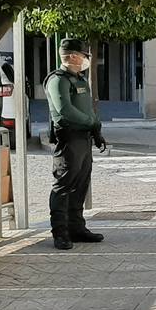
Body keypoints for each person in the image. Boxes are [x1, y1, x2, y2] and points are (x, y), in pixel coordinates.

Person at [45, 38, 105, 251]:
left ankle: (76, 227)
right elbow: (64, 111)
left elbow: (86, 109)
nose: (87, 58)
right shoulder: (58, 80)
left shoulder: (78, 78)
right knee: (64, 185)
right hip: (68, 138)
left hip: (83, 138)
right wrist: (92, 122)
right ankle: (60, 232)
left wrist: (95, 131)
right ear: (72, 56)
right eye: (84, 55)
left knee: (80, 184)